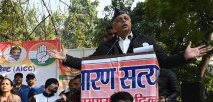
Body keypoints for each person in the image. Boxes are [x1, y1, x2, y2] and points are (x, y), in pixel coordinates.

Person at [50, 8, 211, 70]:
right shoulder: (106, 47)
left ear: (131, 22)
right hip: (115, 97)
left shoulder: (146, 41)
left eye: (126, 18)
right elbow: (88, 65)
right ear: (114, 26)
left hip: (143, 96)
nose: (124, 21)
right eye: (120, 20)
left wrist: (184, 56)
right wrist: (66, 58)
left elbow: (164, 61)